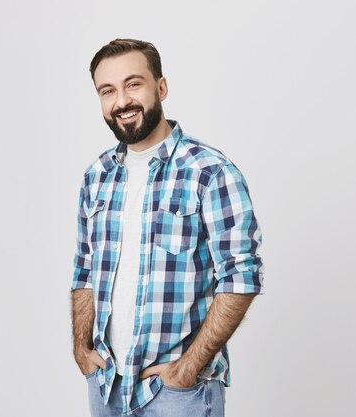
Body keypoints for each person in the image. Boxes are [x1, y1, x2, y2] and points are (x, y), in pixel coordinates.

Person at [70, 39, 264, 417]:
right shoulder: (97, 177)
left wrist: (188, 368)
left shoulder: (209, 172)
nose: (121, 101)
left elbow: (242, 275)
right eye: (107, 91)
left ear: (161, 87)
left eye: (133, 84)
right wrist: (81, 346)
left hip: (178, 395)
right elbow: (84, 267)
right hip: (107, 385)